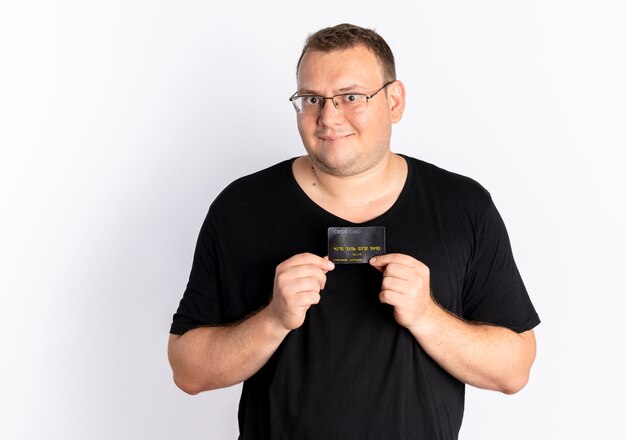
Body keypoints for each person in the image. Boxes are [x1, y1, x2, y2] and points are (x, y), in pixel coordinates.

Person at [168, 23, 540, 439]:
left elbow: (515, 369)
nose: (329, 117)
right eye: (312, 99)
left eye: (351, 97)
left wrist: (427, 317)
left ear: (394, 101)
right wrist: (273, 319)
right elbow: (188, 370)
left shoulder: (463, 206)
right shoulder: (241, 207)